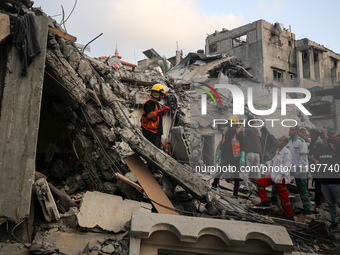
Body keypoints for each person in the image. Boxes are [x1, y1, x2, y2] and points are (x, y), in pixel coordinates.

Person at [255, 136, 294, 220]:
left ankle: (289, 216)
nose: (277, 141)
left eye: (280, 140)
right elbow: (273, 161)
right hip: (274, 176)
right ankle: (265, 202)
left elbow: (287, 165)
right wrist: (263, 165)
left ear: (284, 143)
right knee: (260, 182)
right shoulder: (278, 151)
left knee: (283, 198)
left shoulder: (286, 152)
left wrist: (281, 175)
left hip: (280, 179)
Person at [213, 115, 245, 197]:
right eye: (228, 121)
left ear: (234, 123)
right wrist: (219, 154)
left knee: (236, 175)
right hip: (226, 156)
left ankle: (235, 193)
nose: (228, 123)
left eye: (230, 121)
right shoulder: (225, 132)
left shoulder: (238, 133)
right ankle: (213, 186)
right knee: (219, 171)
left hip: (235, 158)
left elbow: (243, 145)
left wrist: (242, 156)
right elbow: (222, 144)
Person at [313, 137, 340, 232]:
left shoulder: (336, 153)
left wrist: (331, 141)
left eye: (326, 141)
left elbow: (337, 144)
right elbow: (312, 148)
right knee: (331, 204)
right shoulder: (320, 152)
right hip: (324, 182)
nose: (324, 142)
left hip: (335, 182)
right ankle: (334, 222)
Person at [287, 126, 312, 214]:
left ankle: (307, 209)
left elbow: (303, 158)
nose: (290, 131)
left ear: (297, 131)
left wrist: (299, 168)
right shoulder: (289, 142)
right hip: (292, 167)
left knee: (301, 188)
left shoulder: (301, 142)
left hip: (300, 169)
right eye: (289, 129)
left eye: (292, 130)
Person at [141, 83, 170, 149]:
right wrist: (161, 110)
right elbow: (149, 115)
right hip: (150, 133)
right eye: (162, 94)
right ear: (157, 94)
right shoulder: (149, 103)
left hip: (156, 132)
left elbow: (157, 116)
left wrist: (164, 112)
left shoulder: (156, 103)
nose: (162, 96)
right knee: (152, 151)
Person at [240, 119, 262, 193]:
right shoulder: (257, 130)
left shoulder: (245, 130)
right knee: (257, 172)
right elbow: (260, 135)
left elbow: (239, 135)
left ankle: (245, 187)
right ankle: (260, 188)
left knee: (246, 171)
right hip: (257, 154)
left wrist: (242, 126)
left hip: (249, 153)